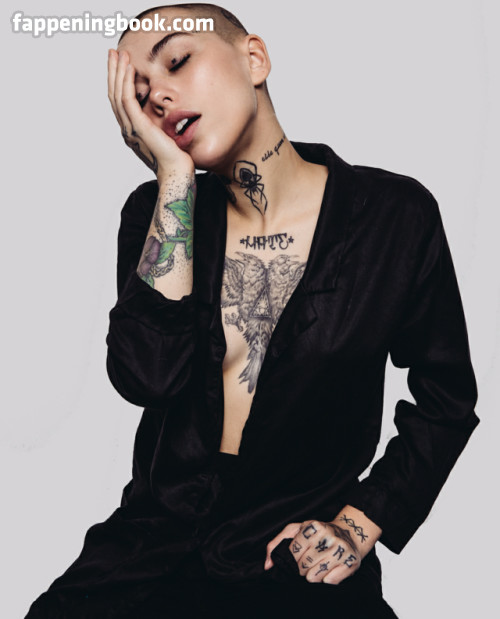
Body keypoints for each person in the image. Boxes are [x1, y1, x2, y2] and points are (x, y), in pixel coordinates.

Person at [25, 3, 480, 617]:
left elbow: (446, 401)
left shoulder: (394, 217)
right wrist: (175, 179)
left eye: (176, 61)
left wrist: (359, 523)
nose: (159, 97)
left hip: (293, 557)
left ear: (255, 58)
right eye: (139, 97)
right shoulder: (156, 217)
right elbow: (148, 377)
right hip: (148, 555)